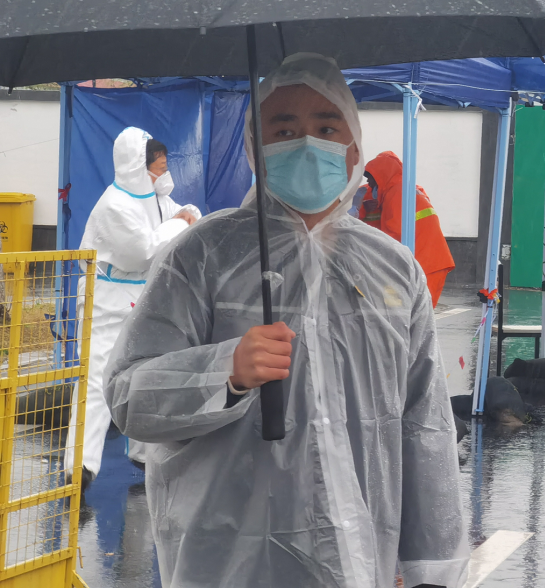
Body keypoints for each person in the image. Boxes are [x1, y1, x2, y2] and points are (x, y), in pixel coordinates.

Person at [105, 54, 468, 588]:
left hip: (363, 561)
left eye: (326, 128)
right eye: (284, 129)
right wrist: (225, 371)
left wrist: (430, 570)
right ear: (256, 148)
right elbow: (128, 399)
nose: (306, 144)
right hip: (229, 563)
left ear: (354, 148)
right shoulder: (200, 257)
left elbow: (425, 429)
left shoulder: (394, 270)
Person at [64, 128, 199, 487]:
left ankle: (143, 453)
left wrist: (183, 216)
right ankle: (80, 464)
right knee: (97, 377)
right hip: (106, 299)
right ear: (138, 167)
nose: (163, 174)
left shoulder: (154, 199)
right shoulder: (115, 205)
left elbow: (187, 216)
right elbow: (143, 251)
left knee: (145, 371)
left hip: (142, 295)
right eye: (159, 168)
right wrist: (178, 223)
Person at [350, 151, 455, 307]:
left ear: (381, 177)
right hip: (430, 260)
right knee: (415, 311)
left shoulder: (397, 193)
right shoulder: (404, 188)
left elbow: (394, 237)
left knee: (414, 312)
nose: (369, 184)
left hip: (425, 262)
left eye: (371, 180)